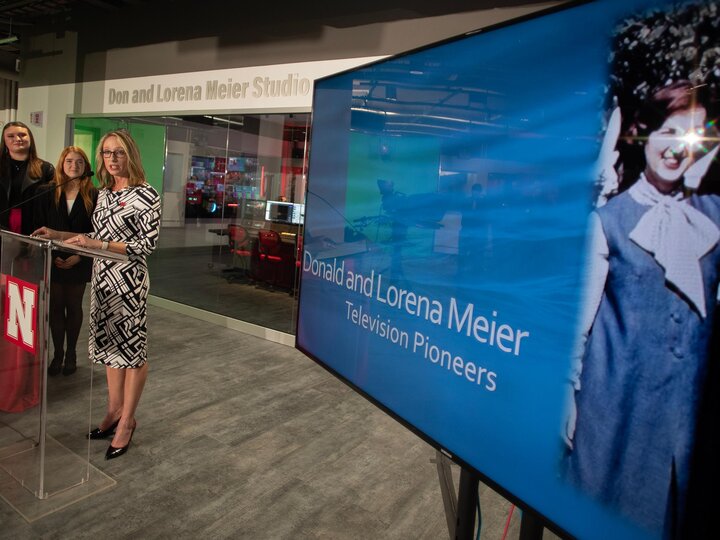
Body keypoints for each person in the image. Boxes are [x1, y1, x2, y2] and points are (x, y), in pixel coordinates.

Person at [564, 81, 720, 533]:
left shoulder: (712, 217)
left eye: (690, 138)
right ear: (644, 134)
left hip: (686, 420)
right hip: (616, 413)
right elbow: (580, 327)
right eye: (668, 132)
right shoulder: (609, 221)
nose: (675, 150)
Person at [33, 130, 161, 460]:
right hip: (102, 280)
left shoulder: (147, 195)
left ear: (131, 154)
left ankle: (127, 422)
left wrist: (99, 246)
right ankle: (113, 410)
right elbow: (95, 235)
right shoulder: (104, 193)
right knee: (109, 350)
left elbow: (144, 247)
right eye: (106, 153)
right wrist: (59, 234)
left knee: (131, 353)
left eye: (118, 152)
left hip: (129, 283)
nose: (112, 158)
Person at [34, 147, 97, 376]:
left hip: (80, 259)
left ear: (86, 167)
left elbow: (96, 232)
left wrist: (78, 255)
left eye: (79, 162)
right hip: (52, 258)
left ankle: (71, 353)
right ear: (61, 164)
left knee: (73, 306)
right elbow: (39, 227)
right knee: (55, 307)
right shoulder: (46, 191)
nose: (74, 165)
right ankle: (57, 354)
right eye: (69, 161)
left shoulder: (95, 195)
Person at [0, 121, 55, 234]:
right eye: (11, 136)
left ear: (30, 138)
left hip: (34, 224)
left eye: (22, 135)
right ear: (4, 141)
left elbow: (52, 204)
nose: (18, 139)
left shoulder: (46, 168)